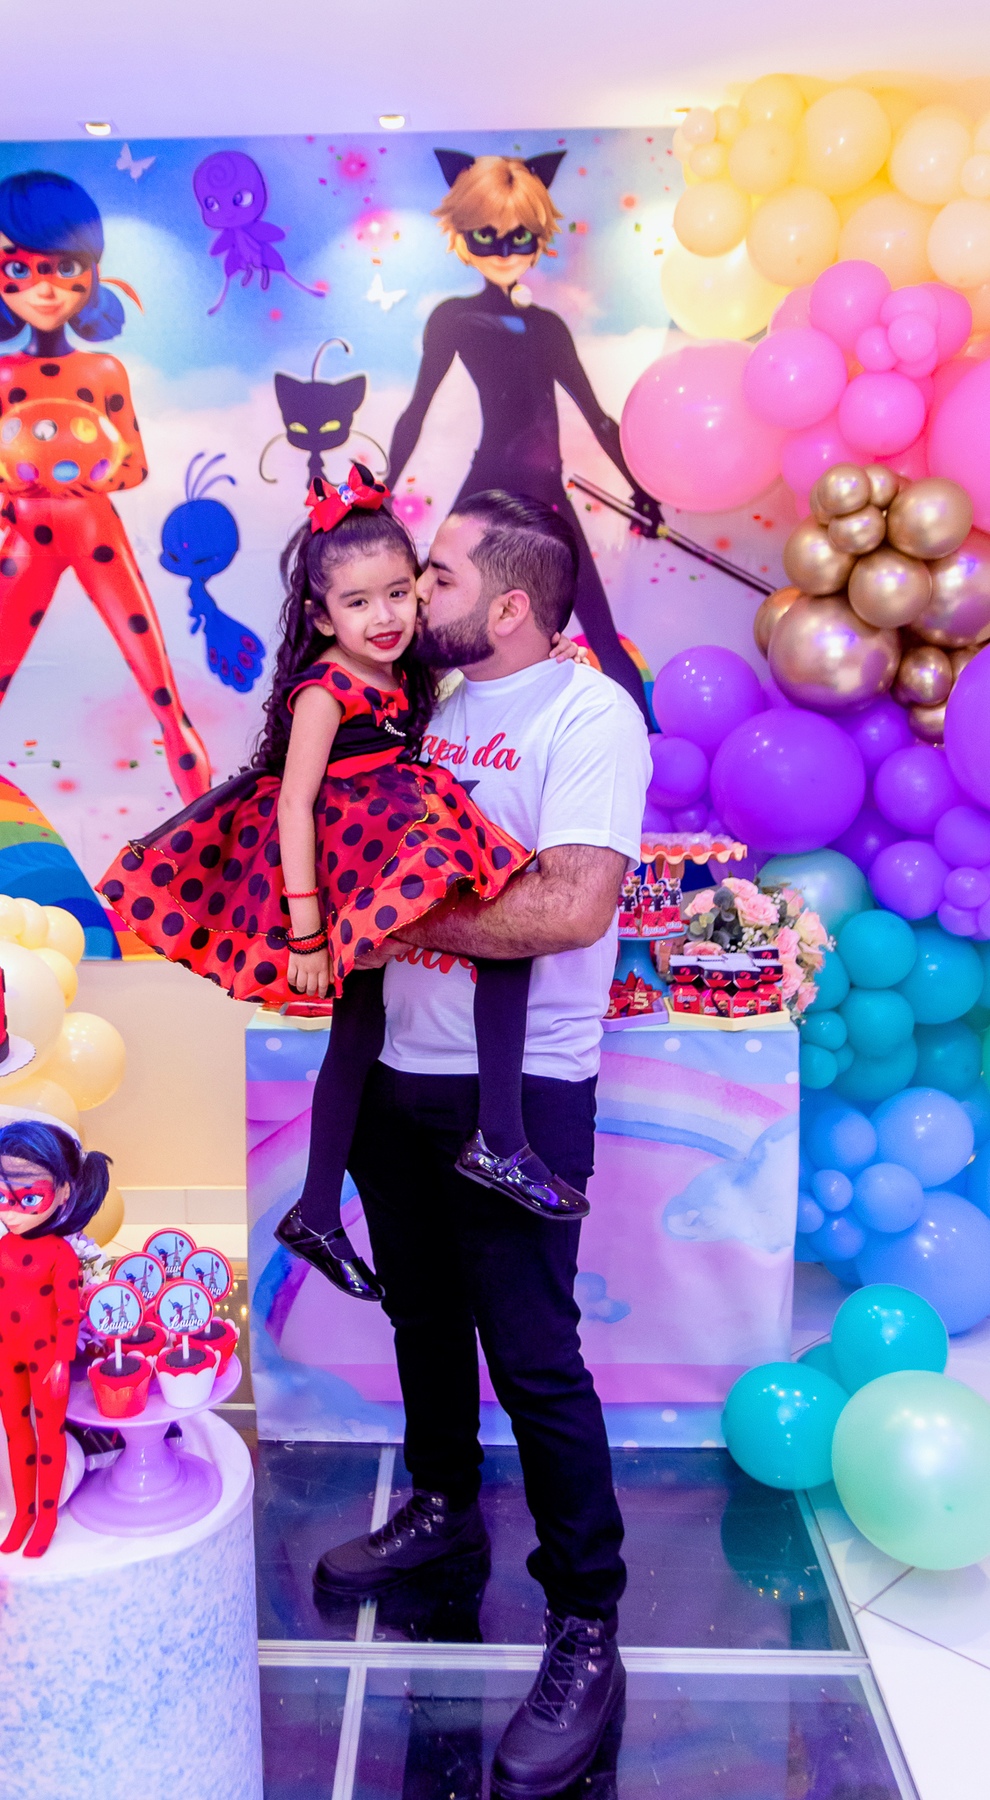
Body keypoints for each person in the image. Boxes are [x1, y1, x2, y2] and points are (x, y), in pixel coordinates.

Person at [313, 489, 650, 1799]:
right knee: (423, 1317)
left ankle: (585, 1623)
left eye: (437, 576)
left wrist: (394, 919)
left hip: (523, 1093)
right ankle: (447, 1511)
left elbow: (570, 906)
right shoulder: (430, 709)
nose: (413, 591)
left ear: (508, 605)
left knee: (534, 1359)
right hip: (401, 1075)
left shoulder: (588, 717)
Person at [100, 467, 592, 1308]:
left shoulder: (407, 667)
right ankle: (490, 1143)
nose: (385, 616)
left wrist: (551, 660)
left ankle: (324, 1206)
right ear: (323, 617)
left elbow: (482, 671)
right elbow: (293, 802)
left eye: (399, 592)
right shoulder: (326, 686)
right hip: (355, 853)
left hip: (391, 830)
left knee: (378, 1019)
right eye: (358, 603)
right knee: (473, 941)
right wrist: (306, 930)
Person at [0, 169, 209, 829]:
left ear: (92, 272)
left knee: (164, 696)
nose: (44, 288)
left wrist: (87, 477)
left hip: (97, 533)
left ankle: (208, 840)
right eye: (20, 268)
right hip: (27, 541)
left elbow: (133, 463)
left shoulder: (103, 370)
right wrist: (15, 478)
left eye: (65, 267)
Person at [387, 149, 664, 721]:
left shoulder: (547, 326)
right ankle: (401, 745)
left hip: (536, 494)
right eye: (486, 236)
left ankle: (642, 748)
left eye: (519, 237)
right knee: (433, 628)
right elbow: (417, 410)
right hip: (492, 490)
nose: (504, 251)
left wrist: (642, 487)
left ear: (538, 239)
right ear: (464, 237)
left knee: (599, 629)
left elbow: (597, 417)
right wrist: (381, 493)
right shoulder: (455, 318)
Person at [0, 1121, 111, 1557]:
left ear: (63, 1192)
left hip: (47, 1360)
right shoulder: (5, 1249)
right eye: (0, 1197)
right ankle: (23, 1512)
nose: (11, 1212)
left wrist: (62, 1359)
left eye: (29, 1198)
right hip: (8, 1355)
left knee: (49, 1436)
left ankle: (47, 1517)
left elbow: (70, 1313)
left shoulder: (61, 1255)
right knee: (16, 1435)